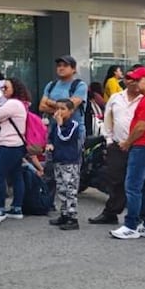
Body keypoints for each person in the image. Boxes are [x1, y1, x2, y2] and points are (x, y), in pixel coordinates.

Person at [110, 67, 145, 240]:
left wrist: (128, 142)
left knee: (133, 186)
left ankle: (131, 225)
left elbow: (141, 126)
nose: (135, 82)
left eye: (139, 79)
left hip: (143, 146)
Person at [89, 71, 143, 225]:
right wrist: (109, 140)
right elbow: (108, 119)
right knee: (114, 179)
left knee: (138, 182)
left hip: (139, 146)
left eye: (136, 79)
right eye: (129, 79)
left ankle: (138, 215)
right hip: (117, 144)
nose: (132, 82)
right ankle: (111, 212)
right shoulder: (116, 98)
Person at [0, 78, 31, 220]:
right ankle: (16, 207)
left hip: (9, 144)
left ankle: (0, 208)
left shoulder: (13, 103)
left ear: (15, 89)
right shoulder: (19, 104)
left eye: (6, 88)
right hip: (17, 144)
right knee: (16, 175)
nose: (3, 90)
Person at [46, 99, 83, 230]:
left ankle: (73, 218)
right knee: (61, 188)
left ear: (71, 111)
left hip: (70, 162)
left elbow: (65, 138)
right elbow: (51, 136)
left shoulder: (73, 125)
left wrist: (61, 125)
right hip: (58, 160)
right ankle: (64, 214)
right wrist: (49, 144)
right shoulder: (55, 124)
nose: (59, 112)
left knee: (70, 189)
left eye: (63, 109)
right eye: (57, 109)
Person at [38, 56, 87, 139]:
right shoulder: (51, 85)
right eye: (59, 65)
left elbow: (69, 106)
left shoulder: (80, 85)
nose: (61, 68)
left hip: (73, 132)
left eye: (65, 66)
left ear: (73, 69)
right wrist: (62, 108)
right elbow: (42, 107)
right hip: (52, 131)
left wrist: (50, 102)